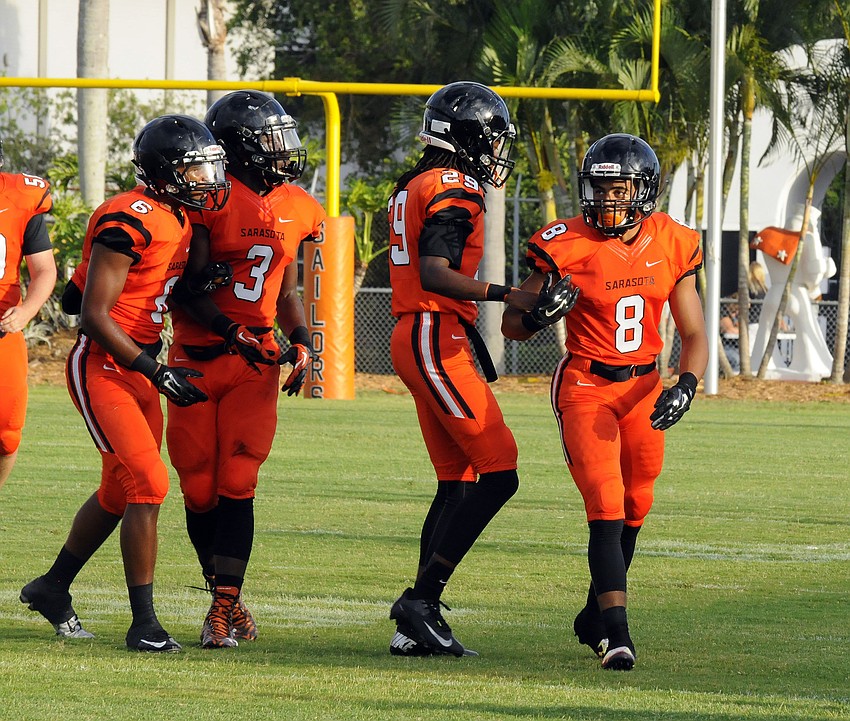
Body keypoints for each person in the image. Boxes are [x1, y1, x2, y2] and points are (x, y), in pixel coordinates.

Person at [20, 114, 230, 650]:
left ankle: (52, 587)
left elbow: (76, 293)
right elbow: (90, 315)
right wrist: (154, 368)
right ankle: (145, 625)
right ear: (164, 173)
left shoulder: (176, 217)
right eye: (195, 169)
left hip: (137, 364)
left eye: (209, 167)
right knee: (149, 483)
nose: (207, 178)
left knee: (120, 488)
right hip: (106, 365)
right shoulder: (130, 216)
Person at [502, 133, 708, 671]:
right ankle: (616, 635)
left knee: (638, 503)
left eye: (619, 189)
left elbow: (695, 332)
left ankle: (594, 613)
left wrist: (686, 383)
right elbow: (512, 324)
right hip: (587, 385)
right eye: (600, 188)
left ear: (645, 191)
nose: (607, 200)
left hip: (645, 386)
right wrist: (540, 314)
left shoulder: (673, 240)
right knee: (606, 504)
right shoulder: (565, 242)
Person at [165, 90, 325, 649]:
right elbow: (185, 291)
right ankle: (224, 595)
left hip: (255, 358)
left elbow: (286, 289)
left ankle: (222, 606)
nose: (283, 150)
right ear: (236, 148)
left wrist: (303, 339)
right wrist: (231, 330)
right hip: (198, 354)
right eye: (269, 140)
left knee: (239, 479)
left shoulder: (300, 205)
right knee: (198, 486)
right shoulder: (208, 197)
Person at [386, 81, 539, 657]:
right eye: (490, 137)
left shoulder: (416, 183)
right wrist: (508, 294)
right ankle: (420, 601)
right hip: (434, 332)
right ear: (468, 136)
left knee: (459, 480)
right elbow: (434, 270)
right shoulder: (455, 186)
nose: (495, 150)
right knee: (501, 471)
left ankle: (415, 623)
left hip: (421, 333)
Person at [0, 138, 58, 491]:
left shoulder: (20, 198)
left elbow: (45, 271)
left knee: (7, 434)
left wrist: (26, 310)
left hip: (3, 328)